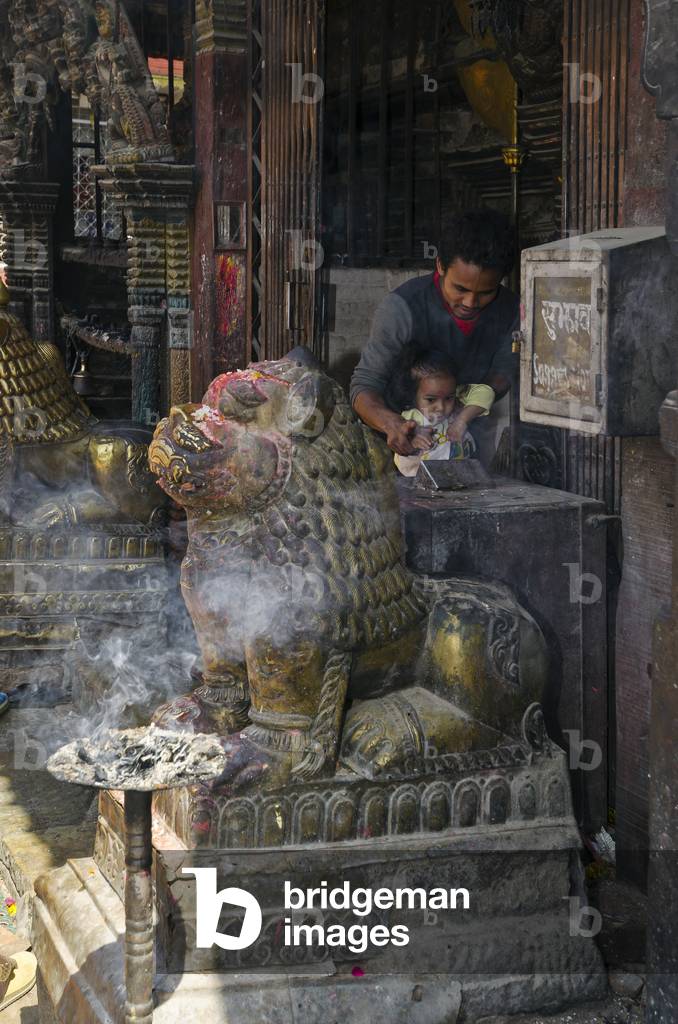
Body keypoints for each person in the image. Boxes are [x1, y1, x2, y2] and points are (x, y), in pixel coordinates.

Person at [350, 209, 519, 464]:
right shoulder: (402, 308)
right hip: (399, 453)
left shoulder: (511, 310)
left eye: (486, 292)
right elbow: (364, 386)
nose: (470, 303)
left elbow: (505, 372)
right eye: (460, 288)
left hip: (468, 451)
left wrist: (464, 409)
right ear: (440, 265)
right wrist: (392, 424)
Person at [392, 349, 493, 477]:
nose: (440, 407)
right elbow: (401, 449)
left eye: (448, 398)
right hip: (422, 488)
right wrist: (412, 443)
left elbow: (486, 392)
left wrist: (461, 420)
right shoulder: (411, 418)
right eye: (431, 400)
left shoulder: (457, 405)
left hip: (460, 480)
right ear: (413, 396)